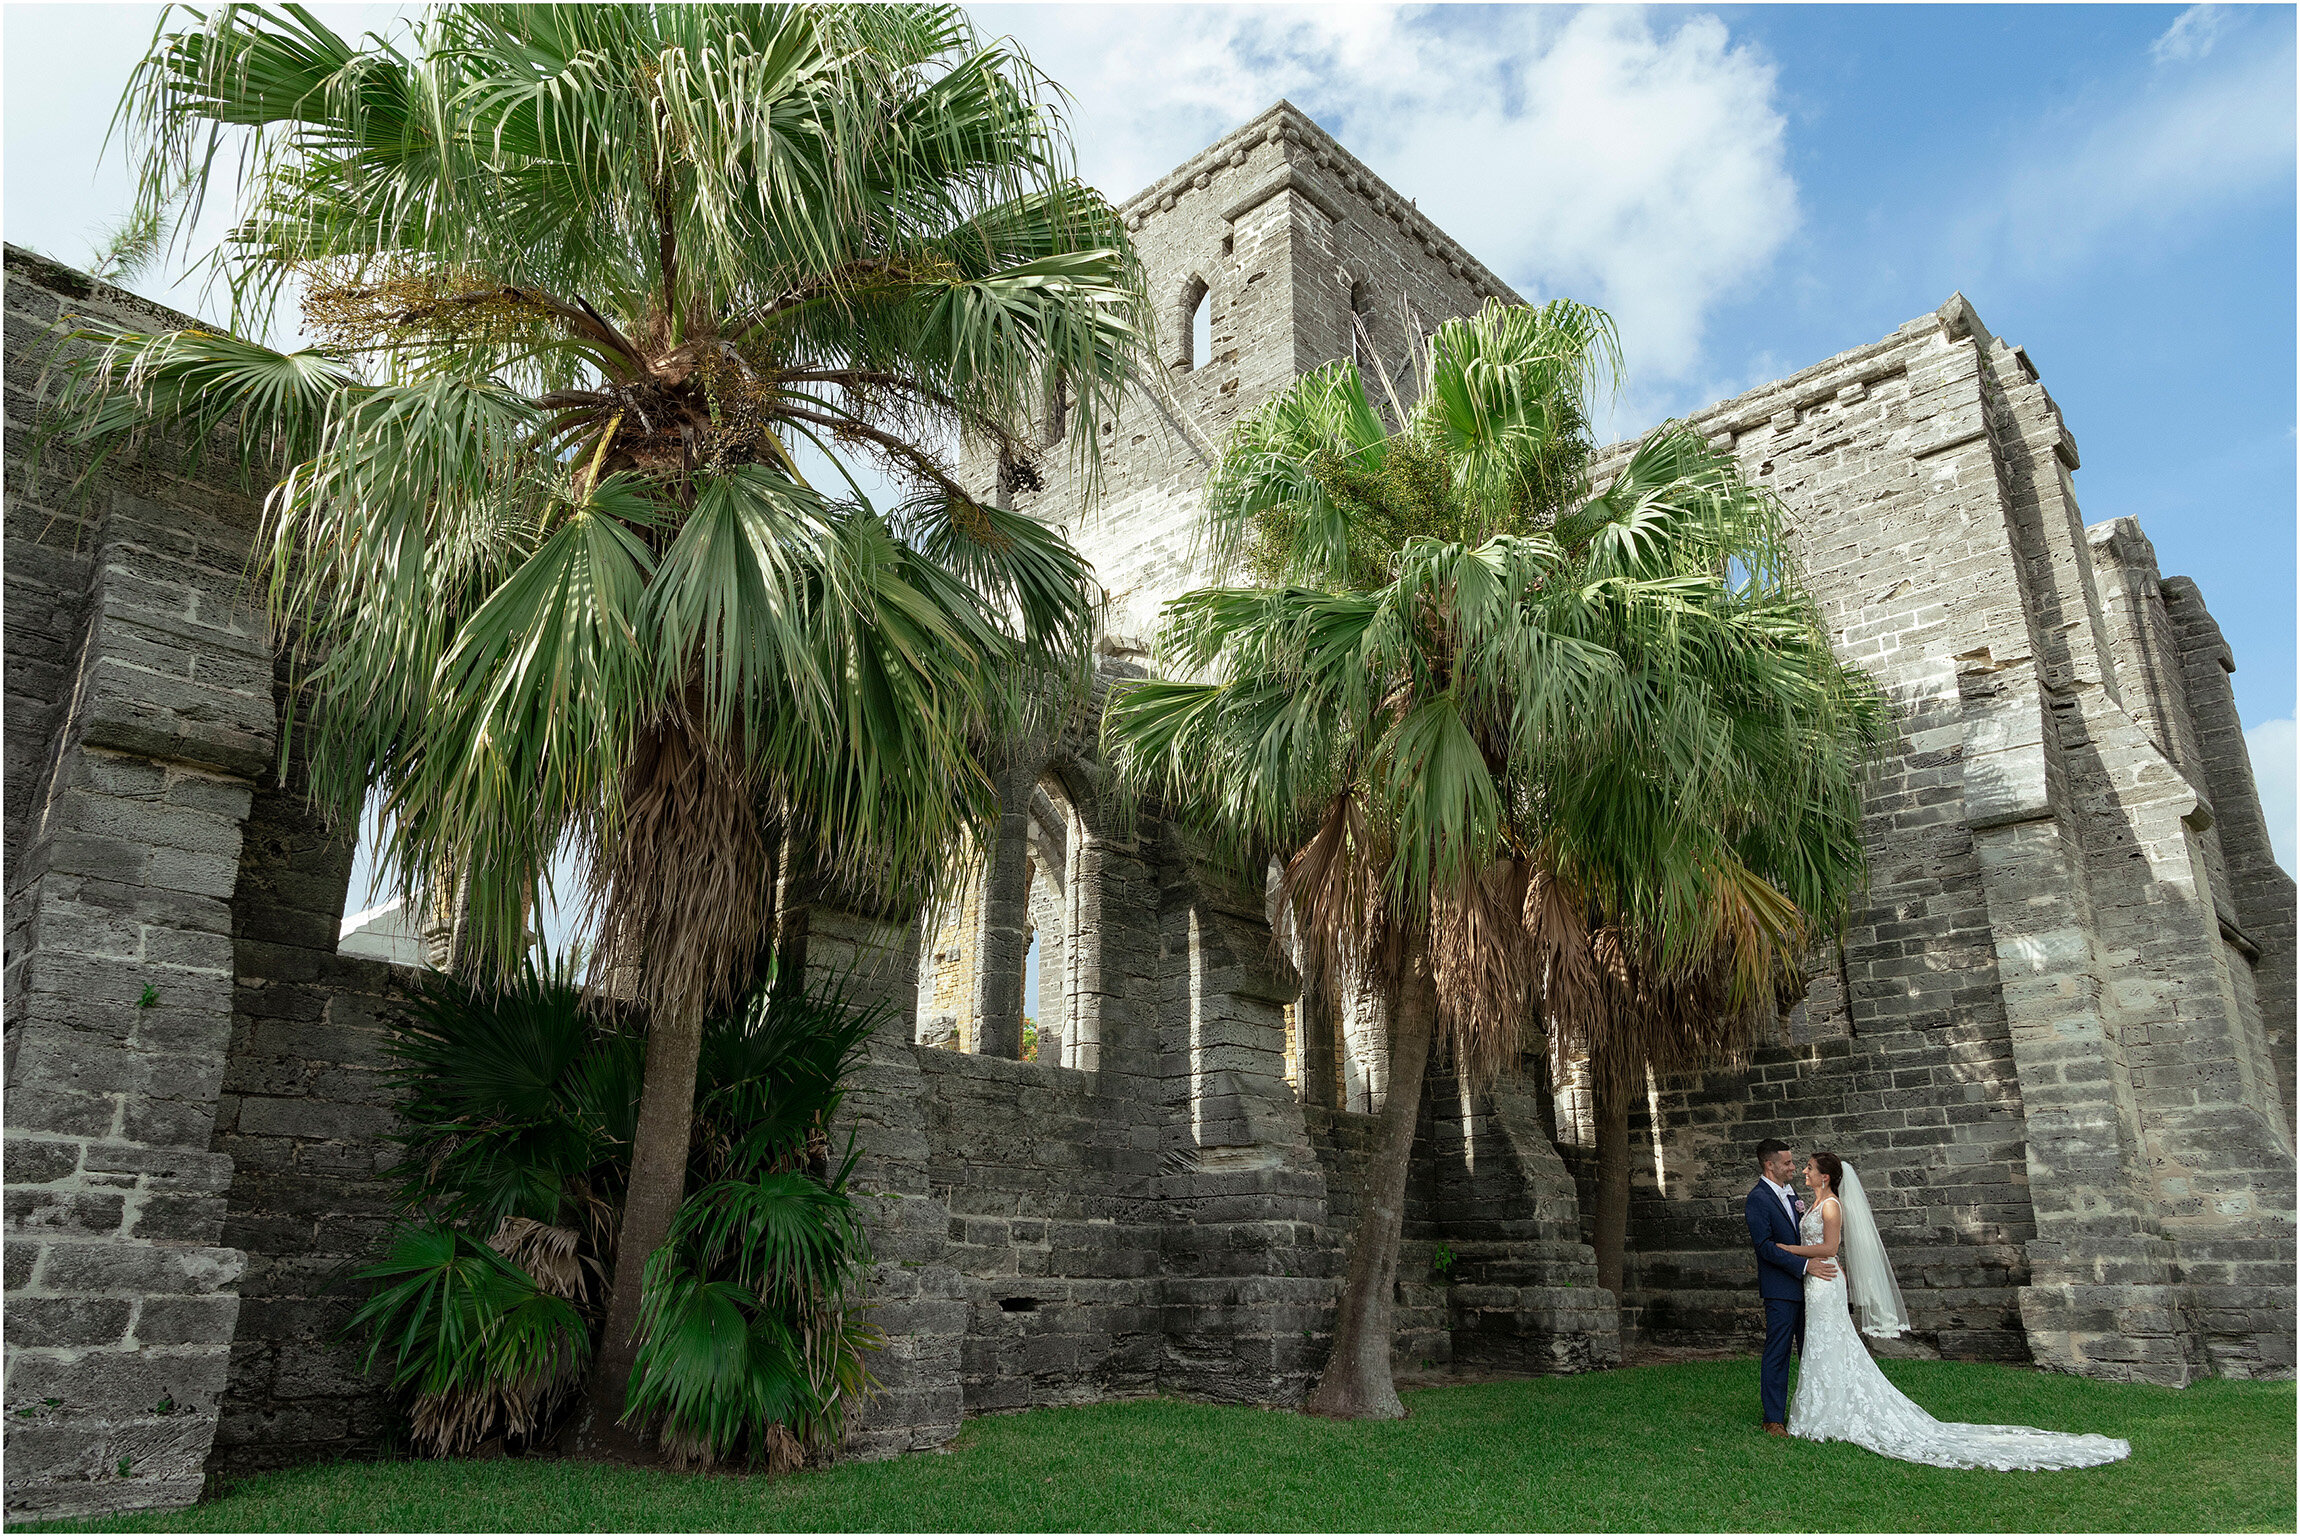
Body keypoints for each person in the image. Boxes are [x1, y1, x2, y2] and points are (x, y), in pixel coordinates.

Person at [1775, 1150, 2132, 1470]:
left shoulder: (1832, 1205)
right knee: (1824, 1343)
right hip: (1815, 1282)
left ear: (1825, 1176)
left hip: (1825, 1280)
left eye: (1808, 1168)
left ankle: (1824, 1415)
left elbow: (1831, 1246)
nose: (1803, 1171)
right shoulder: (1813, 1203)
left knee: (1829, 1341)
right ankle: (1824, 1410)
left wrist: (1789, 1250)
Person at [1746, 1139, 1831, 1435]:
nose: (1794, 1167)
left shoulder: (1792, 1193)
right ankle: (1772, 1418)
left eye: (1794, 1163)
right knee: (1778, 1352)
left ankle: (1817, 1410)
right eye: (1788, 1163)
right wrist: (1805, 1266)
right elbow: (1765, 1247)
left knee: (1813, 1350)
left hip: (1808, 1288)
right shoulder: (1757, 1199)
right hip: (1780, 1289)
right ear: (1770, 1165)